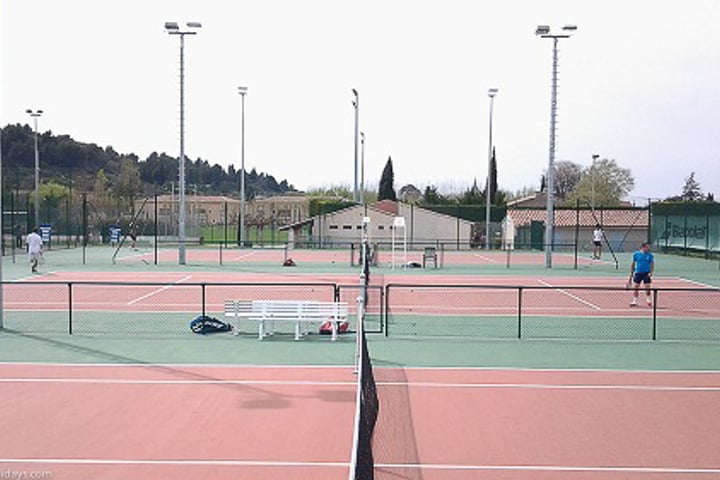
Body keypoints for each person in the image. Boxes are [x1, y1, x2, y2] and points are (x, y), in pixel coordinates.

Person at [628, 242, 654, 307]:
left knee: (647, 288)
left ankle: (648, 300)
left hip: (646, 273)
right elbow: (633, 263)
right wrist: (631, 272)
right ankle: (635, 301)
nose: (648, 248)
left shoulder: (650, 255)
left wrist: (651, 272)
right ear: (643, 247)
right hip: (638, 273)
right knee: (636, 287)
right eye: (647, 247)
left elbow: (651, 264)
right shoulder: (636, 254)